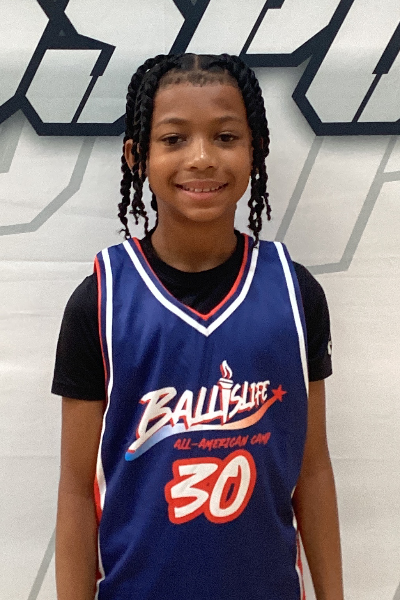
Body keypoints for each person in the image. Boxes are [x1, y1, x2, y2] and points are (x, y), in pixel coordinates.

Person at [52, 53, 344, 600]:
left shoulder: (294, 292)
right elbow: (75, 490)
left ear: (255, 151)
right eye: (174, 139)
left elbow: (312, 469)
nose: (202, 158)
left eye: (226, 137)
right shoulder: (100, 301)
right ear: (137, 156)